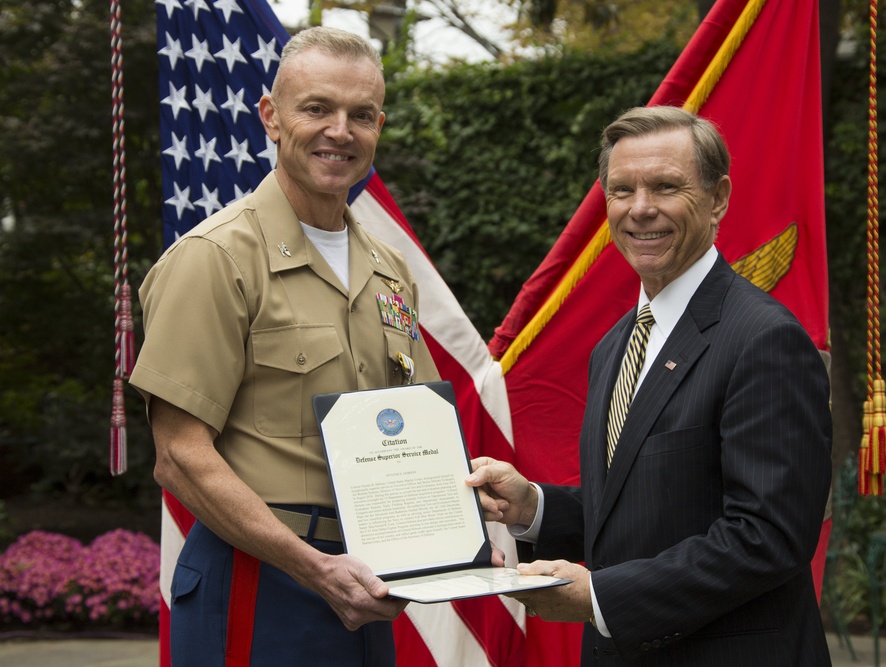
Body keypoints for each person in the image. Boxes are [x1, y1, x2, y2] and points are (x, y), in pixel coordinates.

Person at [130, 27, 482, 666]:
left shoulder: (388, 270)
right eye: (316, 108)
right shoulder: (214, 260)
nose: (340, 131)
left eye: (361, 115)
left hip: (367, 579)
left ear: (380, 126)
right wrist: (315, 569)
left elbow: (422, 426)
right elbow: (178, 456)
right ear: (271, 116)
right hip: (260, 581)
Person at [467, 106, 833, 665]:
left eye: (666, 187)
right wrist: (532, 508)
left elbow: (768, 537)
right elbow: (638, 514)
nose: (640, 209)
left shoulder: (765, 340)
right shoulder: (614, 346)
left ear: (718, 199)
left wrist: (597, 596)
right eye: (622, 190)